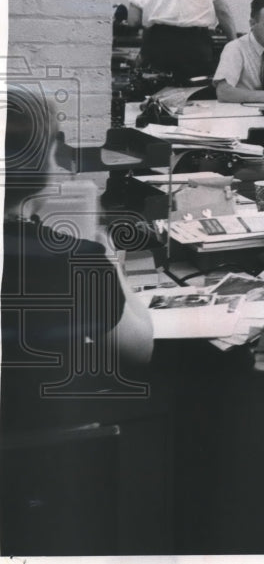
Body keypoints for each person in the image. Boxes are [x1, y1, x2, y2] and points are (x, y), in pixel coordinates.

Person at [1, 85, 154, 431]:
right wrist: (108, 256)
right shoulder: (78, 258)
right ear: (37, 162)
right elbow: (139, 348)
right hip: (50, 457)